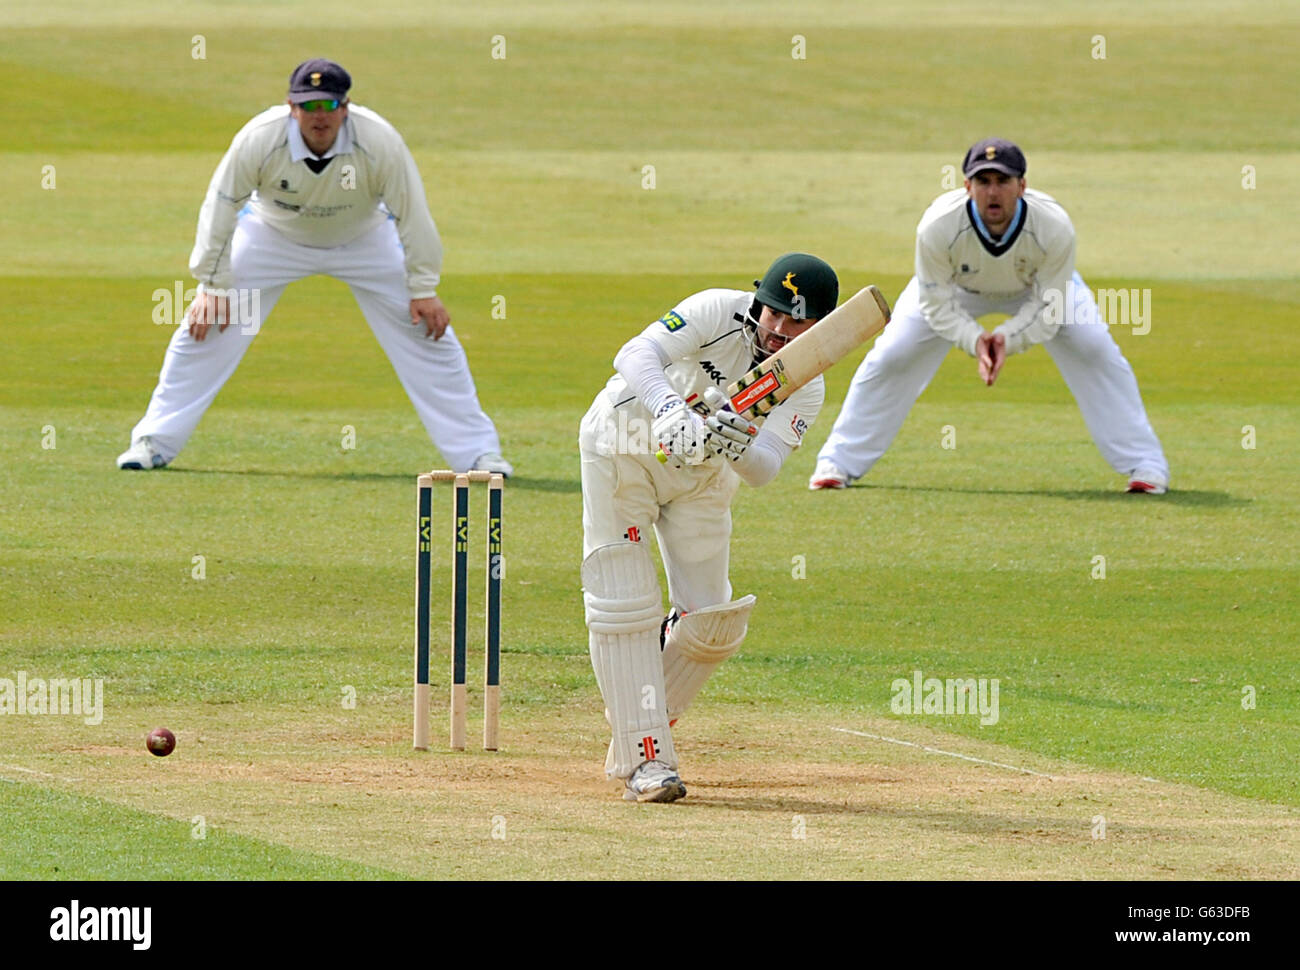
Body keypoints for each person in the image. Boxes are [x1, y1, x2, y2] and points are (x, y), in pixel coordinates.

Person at [117, 59, 511, 476]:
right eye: (309, 106)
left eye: (328, 106)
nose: (318, 117)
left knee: (430, 333)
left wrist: (423, 288)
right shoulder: (259, 138)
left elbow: (412, 213)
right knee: (208, 322)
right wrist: (212, 286)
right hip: (273, 237)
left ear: (345, 107)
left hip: (364, 238)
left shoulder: (380, 141)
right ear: (291, 107)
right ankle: (153, 442)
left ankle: (477, 454)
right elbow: (221, 204)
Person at [579, 253, 839, 802]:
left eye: (797, 324)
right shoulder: (714, 309)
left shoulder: (806, 383)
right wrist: (671, 409)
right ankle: (646, 762)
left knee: (714, 624)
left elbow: (765, 468)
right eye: (773, 314)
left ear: (819, 328)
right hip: (623, 446)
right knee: (624, 605)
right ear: (757, 302)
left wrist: (736, 444)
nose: (779, 330)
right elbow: (635, 352)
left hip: (702, 477)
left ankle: (636, 704)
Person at [809, 137, 1168, 494]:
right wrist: (975, 340)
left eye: (1003, 181)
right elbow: (935, 304)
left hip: (1039, 290)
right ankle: (837, 463)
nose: (992, 192)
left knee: (1094, 349)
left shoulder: (1054, 225)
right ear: (967, 186)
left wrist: (1006, 339)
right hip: (956, 291)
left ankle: (1145, 464)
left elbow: (1050, 307)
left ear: (1022, 186)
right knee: (892, 356)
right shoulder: (938, 225)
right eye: (983, 182)